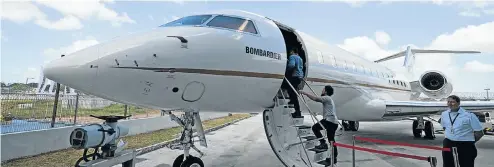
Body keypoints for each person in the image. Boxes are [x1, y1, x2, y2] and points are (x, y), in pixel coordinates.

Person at [440, 95, 484, 167]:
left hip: (465, 145)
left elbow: (479, 133)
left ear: (458, 103)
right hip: (448, 143)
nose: (450, 104)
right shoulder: (444, 114)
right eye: (448, 102)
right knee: (447, 164)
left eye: (452, 102)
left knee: (466, 164)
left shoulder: (469, 116)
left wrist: (468, 140)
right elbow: (445, 127)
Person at [299, 85, 338, 165]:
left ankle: (331, 154)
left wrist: (304, 93)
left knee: (330, 139)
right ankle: (326, 147)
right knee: (327, 136)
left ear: (326, 91)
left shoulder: (327, 98)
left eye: (323, 89)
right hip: (330, 121)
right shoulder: (329, 99)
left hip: (330, 121)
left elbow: (316, 99)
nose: (322, 91)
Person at [284, 48, 304, 118]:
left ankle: (297, 112)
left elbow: (292, 65)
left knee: (291, 92)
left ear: (293, 51)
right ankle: (293, 103)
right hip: (300, 77)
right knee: (293, 91)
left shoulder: (292, 57)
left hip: (295, 76)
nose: (290, 53)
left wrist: (285, 69)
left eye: (290, 52)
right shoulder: (300, 58)